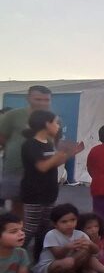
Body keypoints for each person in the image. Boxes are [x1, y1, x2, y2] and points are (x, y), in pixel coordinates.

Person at [21, 110, 82, 260]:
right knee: (29, 230)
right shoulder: (30, 144)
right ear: (46, 124)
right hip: (34, 193)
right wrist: (61, 154)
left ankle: (38, 261)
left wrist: (69, 154)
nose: (57, 126)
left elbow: (53, 164)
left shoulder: (48, 144)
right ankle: (9, 260)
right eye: (55, 122)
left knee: (44, 230)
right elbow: (42, 166)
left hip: (49, 192)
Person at [32, 204, 104, 273]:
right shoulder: (52, 234)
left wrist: (91, 244)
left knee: (86, 251)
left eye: (72, 220)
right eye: (64, 222)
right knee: (68, 261)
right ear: (55, 224)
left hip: (69, 262)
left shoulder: (79, 234)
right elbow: (58, 255)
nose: (69, 224)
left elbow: (95, 252)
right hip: (49, 267)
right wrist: (67, 247)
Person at [0, 85, 52, 216]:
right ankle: (16, 232)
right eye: (38, 99)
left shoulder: (54, 118)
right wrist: (16, 149)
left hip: (42, 169)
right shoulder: (13, 115)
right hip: (16, 167)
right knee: (18, 204)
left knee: (41, 205)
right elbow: (2, 136)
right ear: (28, 98)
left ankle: (33, 233)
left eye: (46, 100)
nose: (42, 103)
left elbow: (53, 142)